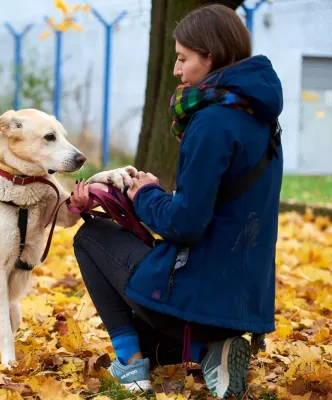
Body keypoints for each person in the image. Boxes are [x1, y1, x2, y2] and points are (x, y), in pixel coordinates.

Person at [69, 4, 283, 398]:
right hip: (240, 304)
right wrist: (144, 200)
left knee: (91, 237)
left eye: (183, 59)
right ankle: (207, 351)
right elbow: (220, 210)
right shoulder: (262, 120)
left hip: (196, 299)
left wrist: (144, 192)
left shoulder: (213, 121)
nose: (176, 71)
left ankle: (133, 365)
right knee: (158, 347)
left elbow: (186, 223)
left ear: (210, 56)